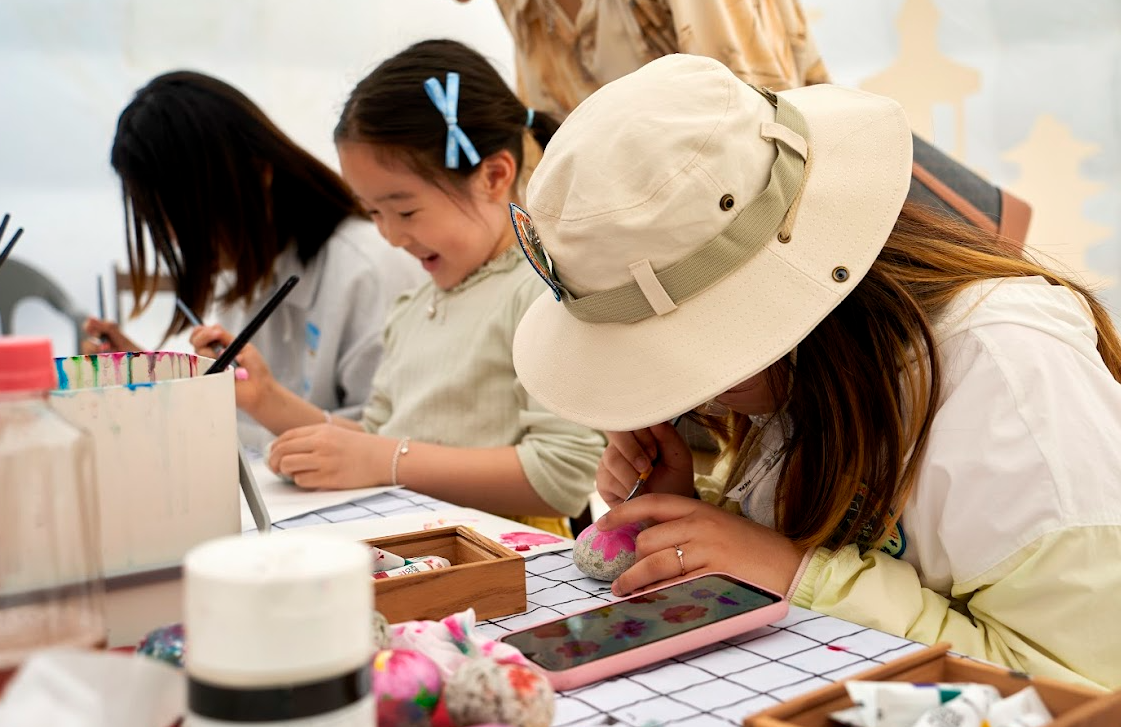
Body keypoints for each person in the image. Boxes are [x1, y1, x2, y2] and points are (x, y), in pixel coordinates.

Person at [508, 54, 1121, 688]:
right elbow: (839, 520)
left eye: (699, 364)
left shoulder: (1007, 375)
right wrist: (697, 509)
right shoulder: (814, 358)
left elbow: (1078, 683)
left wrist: (800, 575)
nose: (700, 402)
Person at [263, 40, 604, 536]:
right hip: (417, 548)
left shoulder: (537, 294)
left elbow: (561, 475)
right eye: (373, 212)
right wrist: (266, 400)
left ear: (493, 175)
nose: (390, 235)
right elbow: (378, 441)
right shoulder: (414, 304)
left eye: (404, 210)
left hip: (505, 560)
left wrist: (387, 461)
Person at [84, 71, 425, 445]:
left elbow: (392, 444)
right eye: (168, 228)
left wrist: (263, 403)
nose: (185, 245)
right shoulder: (244, 271)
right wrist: (152, 376)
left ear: (259, 171)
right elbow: (238, 417)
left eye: (194, 226)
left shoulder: (369, 268)